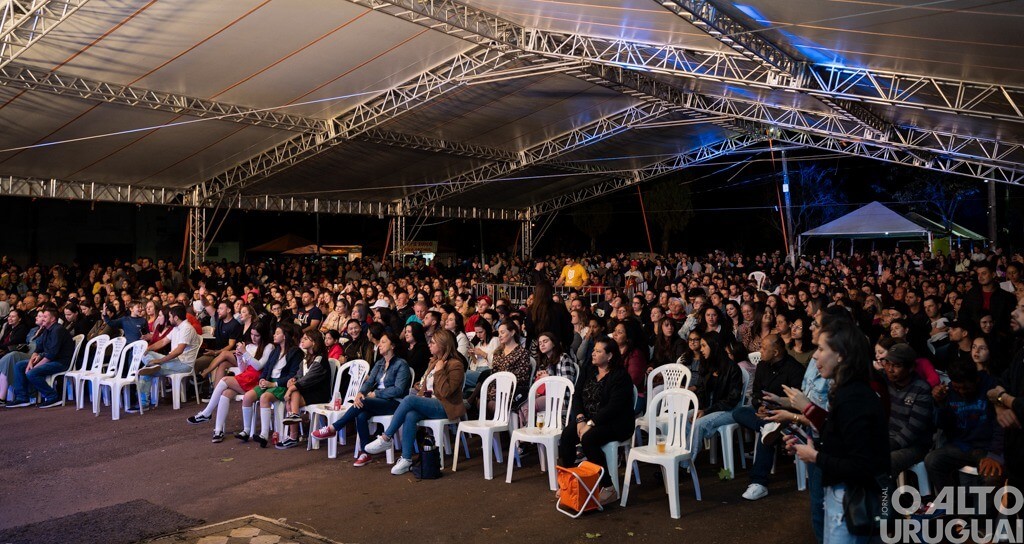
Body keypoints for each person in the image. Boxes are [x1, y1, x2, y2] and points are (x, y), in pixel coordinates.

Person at [786, 317, 889, 544]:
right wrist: (809, 445)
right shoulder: (846, 391)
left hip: (852, 501)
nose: (815, 356)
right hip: (844, 498)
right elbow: (841, 438)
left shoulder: (854, 397)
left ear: (841, 355)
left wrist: (815, 457)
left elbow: (861, 464)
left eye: (822, 349)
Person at [364, 329, 466, 475]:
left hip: (446, 406)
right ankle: (406, 459)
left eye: (433, 342)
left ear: (443, 345)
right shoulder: (434, 362)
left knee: (409, 399)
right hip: (430, 403)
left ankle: (386, 438)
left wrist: (439, 371)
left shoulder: (455, 365)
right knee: (411, 415)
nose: (429, 345)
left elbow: (445, 392)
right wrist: (421, 393)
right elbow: (424, 387)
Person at [311, 331, 411, 467]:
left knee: (363, 402)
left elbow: (398, 390)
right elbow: (369, 382)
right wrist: (360, 393)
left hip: (395, 403)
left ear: (392, 346)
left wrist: (376, 394)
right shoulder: (380, 363)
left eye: (383, 342)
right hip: (377, 402)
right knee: (361, 414)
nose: (379, 345)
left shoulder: (401, 364)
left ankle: (334, 428)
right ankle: (365, 452)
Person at [558, 336, 634, 505]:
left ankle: (608, 487)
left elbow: (613, 408)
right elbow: (577, 396)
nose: (593, 354)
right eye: (594, 350)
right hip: (588, 419)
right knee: (567, 435)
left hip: (615, 423)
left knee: (589, 438)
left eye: (598, 351)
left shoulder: (620, 376)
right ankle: (571, 481)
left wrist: (590, 424)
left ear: (609, 356)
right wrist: (580, 420)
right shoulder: (589, 369)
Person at [731, 333, 805, 500]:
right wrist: (760, 406)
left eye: (764, 348)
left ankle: (759, 482)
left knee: (767, 434)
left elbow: (799, 402)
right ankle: (767, 426)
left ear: (776, 352)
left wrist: (777, 408)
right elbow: (756, 393)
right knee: (739, 412)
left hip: (787, 415)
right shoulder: (763, 365)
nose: (760, 351)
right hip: (765, 413)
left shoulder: (795, 369)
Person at [926, 358, 1004, 495]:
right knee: (932, 460)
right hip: (962, 446)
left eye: (966, 388)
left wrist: (995, 454)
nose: (961, 392)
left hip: (987, 447)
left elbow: (1001, 424)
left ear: (976, 380)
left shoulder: (992, 387)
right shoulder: (948, 391)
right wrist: (940, 404)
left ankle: (984, 510)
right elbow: (942, 425)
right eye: (957, 388)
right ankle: (952, 504)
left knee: (992, 476)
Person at [187, 323, 273, 442]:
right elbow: (243, 369)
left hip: (257, 380)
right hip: (246, 377)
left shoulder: (269, 347)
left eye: (257, 335)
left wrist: (245, 353)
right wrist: (239, 357)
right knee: (225, 393)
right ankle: (218, 431)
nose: (253, 338)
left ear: (263, 335)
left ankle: (207, 413)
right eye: (252, 334)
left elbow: (258, 366)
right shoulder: (249, 346)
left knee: (225, 379)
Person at [243, 323, 303, 448]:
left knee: (264, 397)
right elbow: (266, 370)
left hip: (282, 385)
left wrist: (273, 383)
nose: (274, 335)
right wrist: (262, 379)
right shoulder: (275, 351)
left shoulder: (295, 352)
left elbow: (292, 375)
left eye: (277, 333)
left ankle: (264, 435)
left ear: (284, 336)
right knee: (247, 397)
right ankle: (246, 431)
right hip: (269, 382)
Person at [881, 342, 935, 478]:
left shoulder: (921, 389)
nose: (890, 369)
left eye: (896, 365)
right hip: (886, 438)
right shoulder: (884, 381)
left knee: (887, 461)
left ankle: (884, 492)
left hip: (914, 445)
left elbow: (914, 428)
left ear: (910, 368)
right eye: (887, 363)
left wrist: (889, 445)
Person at [136, 305, 203, 410]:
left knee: (146, 371)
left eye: (170, 317)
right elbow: (163, 341)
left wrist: (159, 361)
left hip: (183, 364)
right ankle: (150, 364)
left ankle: (143, 403)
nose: (169, 319)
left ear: (176, 318)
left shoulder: (187, 328)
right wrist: (148, 349)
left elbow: (179, 351)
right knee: (144, 354)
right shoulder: (176, 328)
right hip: (174, 360)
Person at [6, 305, 74, 409]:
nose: (42, 319)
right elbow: (38, 349)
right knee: (19, 365)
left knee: (32, 373)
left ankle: (53, 396)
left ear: (53, 319)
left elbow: (51, 355)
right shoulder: (46, 329)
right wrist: (30, 363)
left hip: (61, 362)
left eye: (45, 317)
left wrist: (35, 366)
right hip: (50, 360)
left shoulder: (58, 330)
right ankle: (22, 398)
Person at [690, 331, 743, 462]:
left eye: (704, 346)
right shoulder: (707, 365)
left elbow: (731, 400)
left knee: (698, 424)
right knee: (682, 418)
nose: (701, 349)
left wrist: (706, 411)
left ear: (714, 346)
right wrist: (700, 409)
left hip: (729, 410)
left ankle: (686, 463)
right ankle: (680, 456)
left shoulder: (732, 368)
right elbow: (701, 390)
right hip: (708, 408)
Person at [277, 331, 331, 449]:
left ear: (314, 342)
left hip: (319, 393)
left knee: (293, 393)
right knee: (293, 394)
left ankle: (293, 436)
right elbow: (299, 375)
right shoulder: (306, 359)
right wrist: (293, 380)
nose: (302, 340)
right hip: (307, 391)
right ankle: (294, 419)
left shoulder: (320, 359)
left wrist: (291, 388)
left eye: (306, 338)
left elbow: (308, 379)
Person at [516, 331, 578, 424]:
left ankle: (531, 430)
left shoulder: (564, 358)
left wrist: (549, 378)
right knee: (521, 405)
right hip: (549, 396)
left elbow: (567, 385)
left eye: (545, 341)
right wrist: (540, 377)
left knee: (527, 406)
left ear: (553, 343)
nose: (542, 345)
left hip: (562, 399)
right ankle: (528, 429)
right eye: (540, 343)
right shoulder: (545, 362)